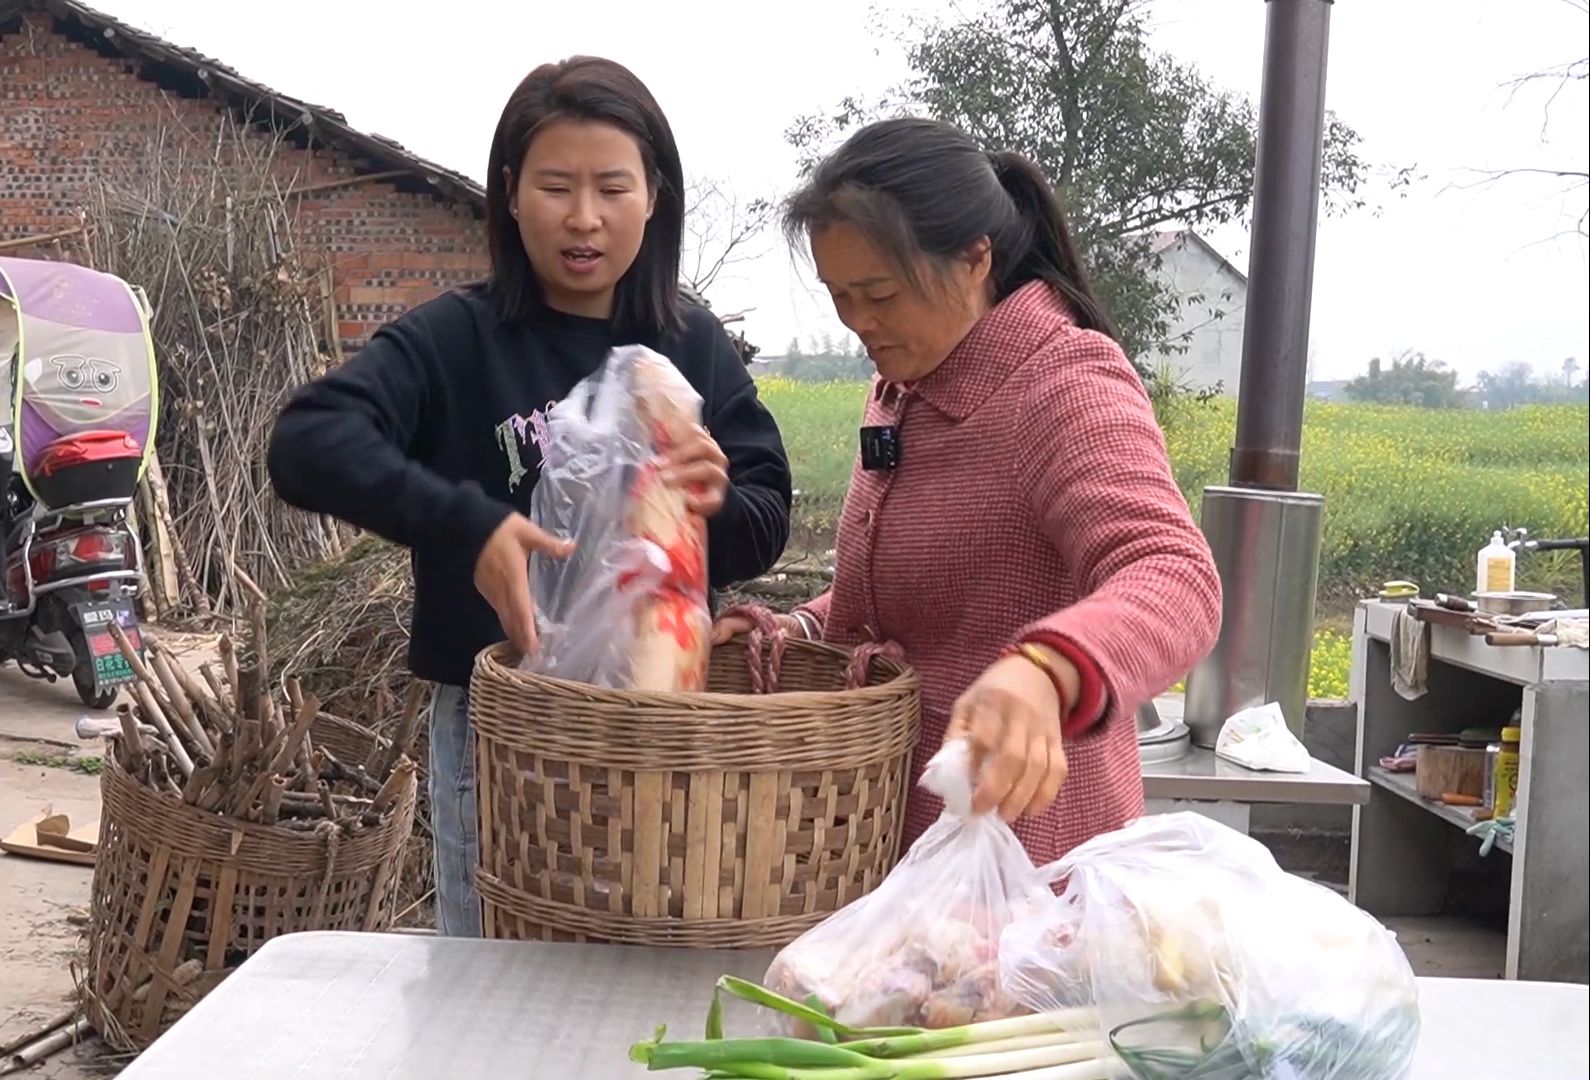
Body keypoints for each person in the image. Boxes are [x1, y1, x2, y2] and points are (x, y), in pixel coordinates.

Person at [266, 56, 793, 935]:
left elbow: (766, 515)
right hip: (498, 733)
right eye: (555, 186)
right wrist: (467, 525)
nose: (583, 218)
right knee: (502, 973)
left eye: (612, 188)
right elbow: (307, 444)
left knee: (641, 978)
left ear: (655, 196)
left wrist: (716, 502)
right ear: (510, 194)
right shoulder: (456, 339)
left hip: (661, 729)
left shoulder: (688, 347)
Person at [715, 116, 1221, 867]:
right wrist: (805, 632)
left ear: (974, 257)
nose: (860, 323)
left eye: (880, 292)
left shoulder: (1061, 382)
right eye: (840, 295)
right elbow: (909, 602)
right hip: (899, 853)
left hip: (1024, 867)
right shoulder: (902, 388)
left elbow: (1174, 575)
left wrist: (1047, 671)